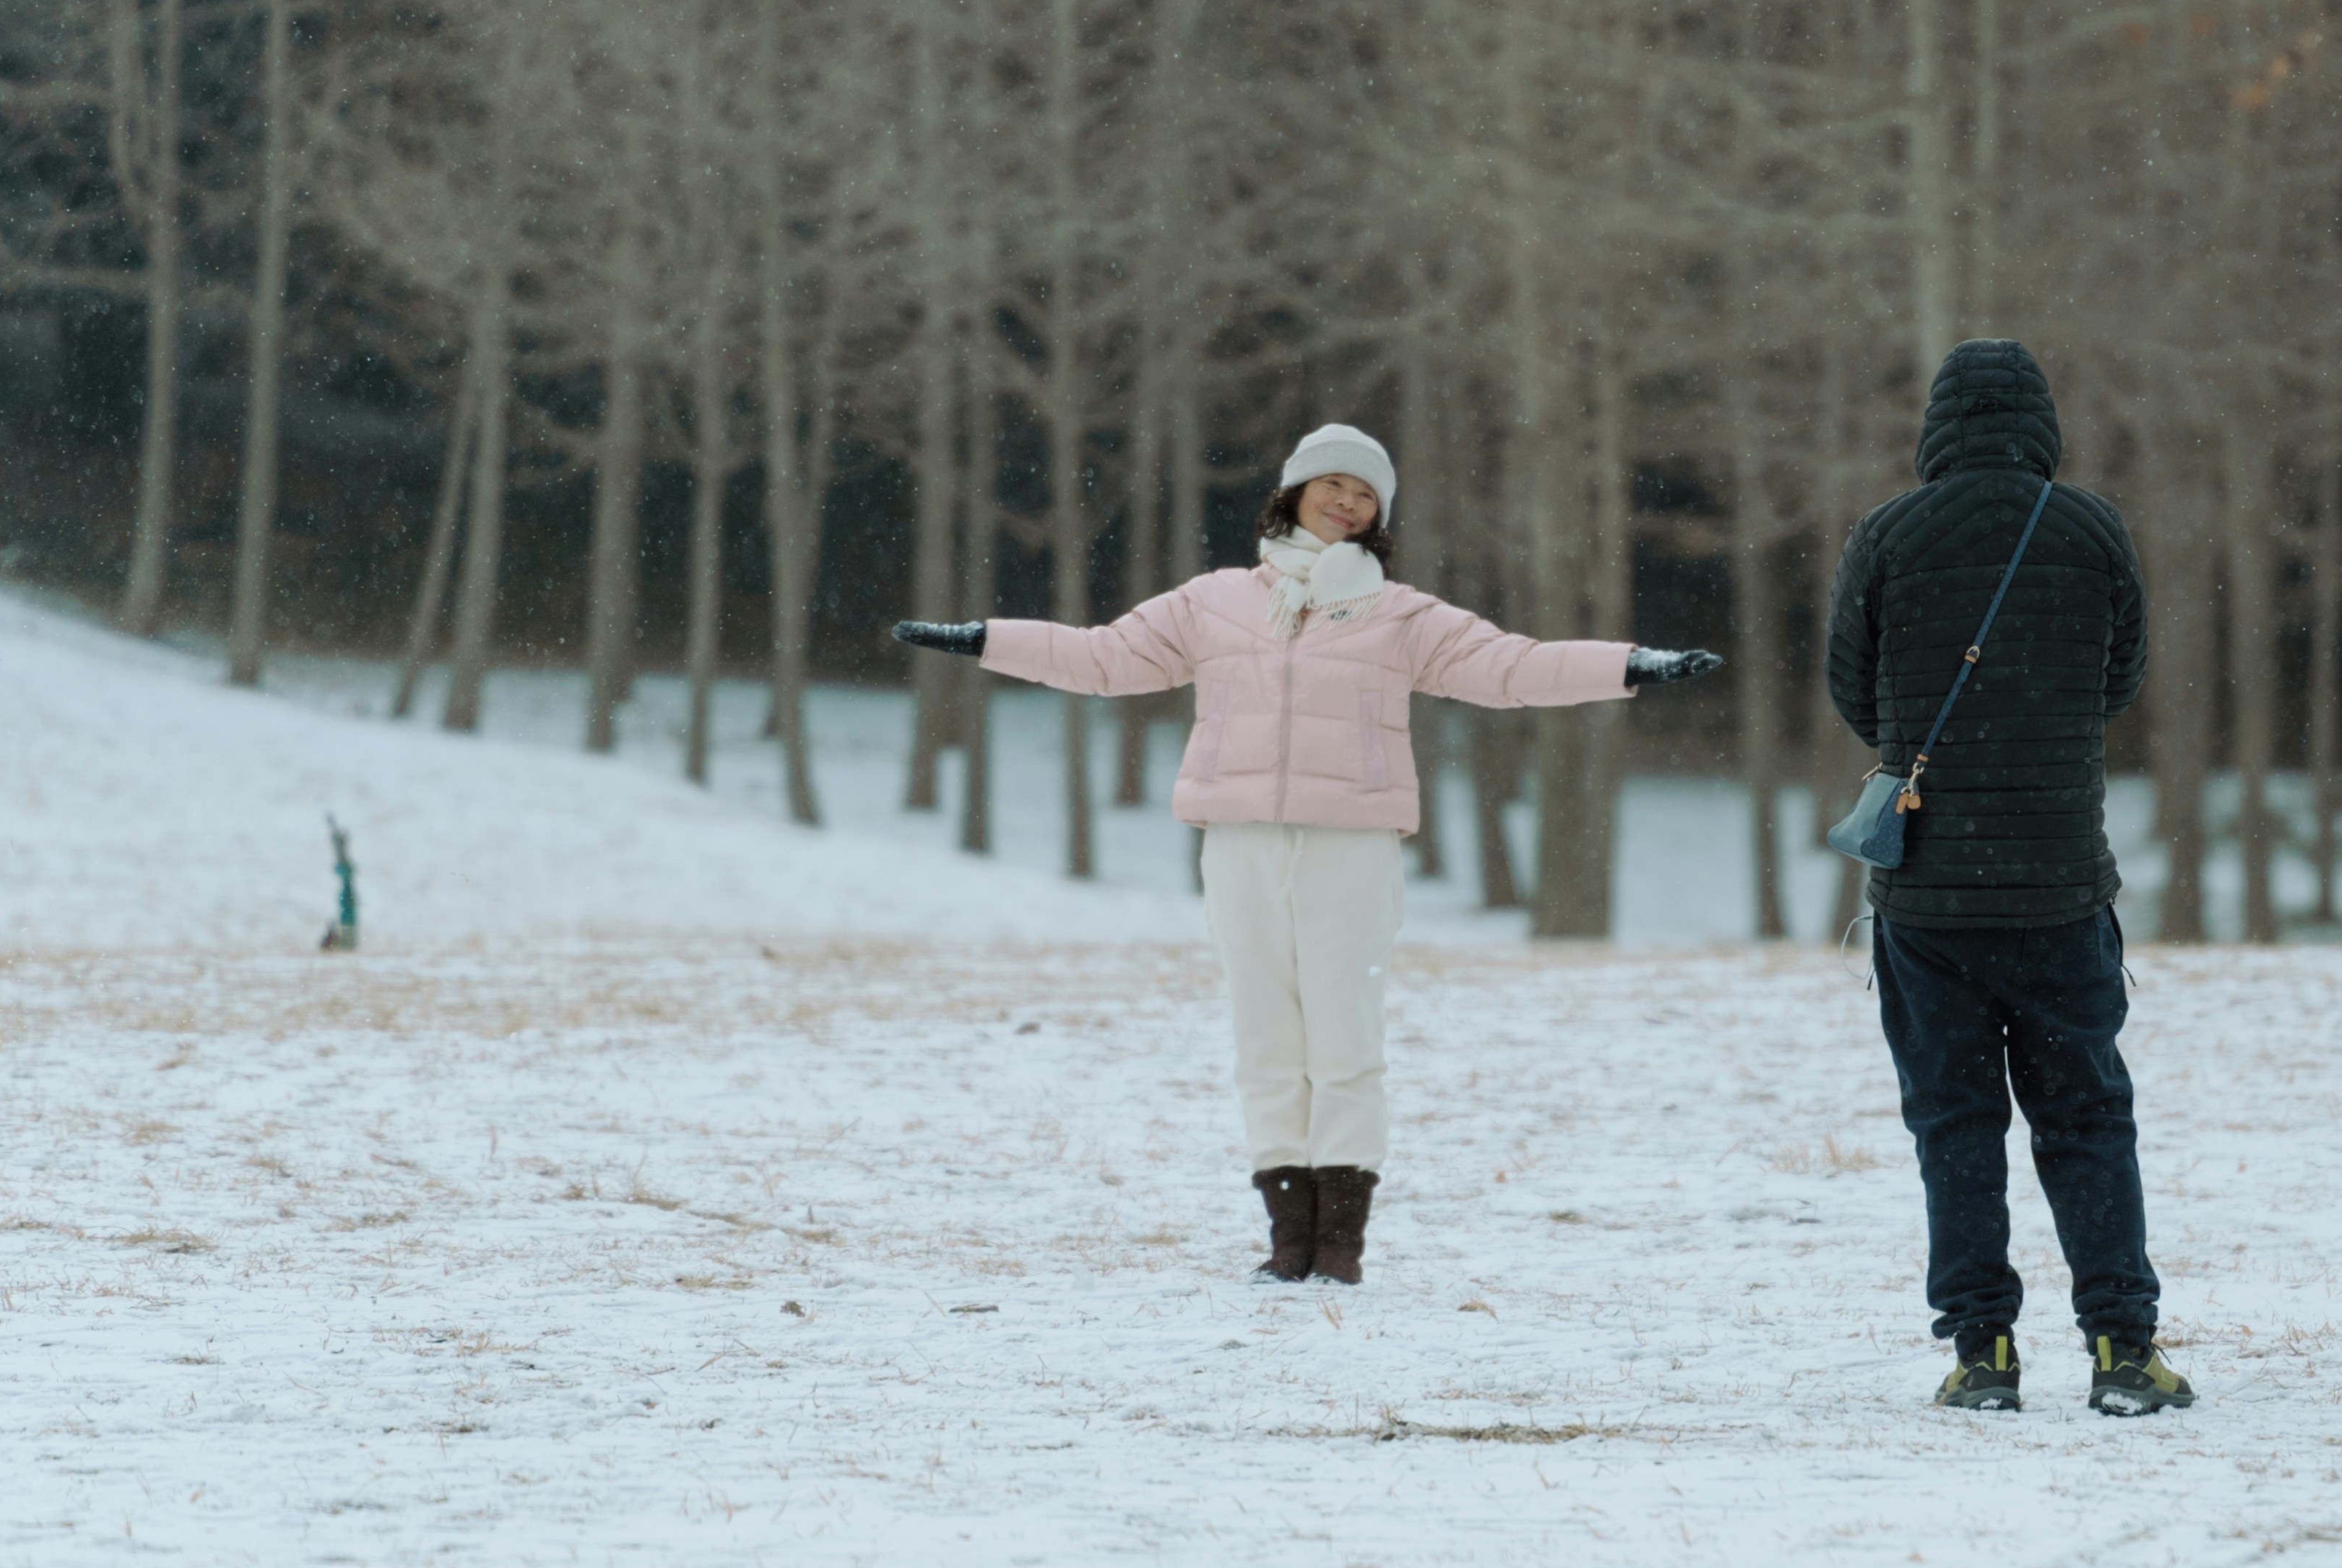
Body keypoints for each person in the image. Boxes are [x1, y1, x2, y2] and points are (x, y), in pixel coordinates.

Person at [895, 422, 1717, 1288]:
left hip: (1351, 847)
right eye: (1331, 484)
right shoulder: (1214, 602)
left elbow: (1512, 668)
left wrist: (1631, 665)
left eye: (1364, 493)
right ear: (1290, 493)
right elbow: (1104, 657)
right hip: (1240, 844)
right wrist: (985, 639)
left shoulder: (1401, 615)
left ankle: (1341, 1245)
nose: (1346, 500)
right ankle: (1288, 1239)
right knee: (1265, 1039)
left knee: (1344, 1039)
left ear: (1377, 517)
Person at [1824, 340, 2191, 1418]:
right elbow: (2119, 680)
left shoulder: (1886, 534)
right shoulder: (2090, 528)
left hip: (1927, 898)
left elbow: (1852, 684)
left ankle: (1980, 1351)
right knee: (2086, 1121)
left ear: (1936, 425)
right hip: (2059, 891)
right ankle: (2123, 1350)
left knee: (1953, 1125)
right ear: (2041, 424)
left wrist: (1931, 744)